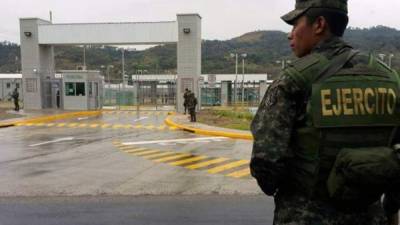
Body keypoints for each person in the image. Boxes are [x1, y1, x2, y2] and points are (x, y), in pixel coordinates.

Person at [250, 0, 400, 224]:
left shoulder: (292, 79)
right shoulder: (389, 79)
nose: (290, 35)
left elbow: (265, 163)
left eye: (295, 25)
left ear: (319, 24)